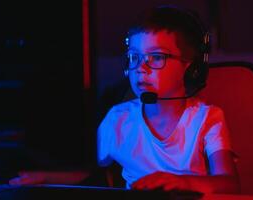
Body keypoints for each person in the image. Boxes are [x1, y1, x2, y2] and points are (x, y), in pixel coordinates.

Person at [97, 5, 240, 194]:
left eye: (156, 57)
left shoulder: (208, 118)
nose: (141, 68)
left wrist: (182, 183)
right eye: (134, 57)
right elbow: (84, 172)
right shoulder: (117, 119)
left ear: (191, 67)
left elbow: (229, 186)